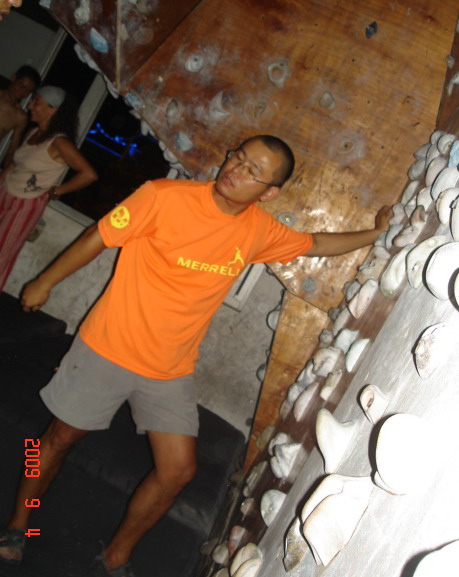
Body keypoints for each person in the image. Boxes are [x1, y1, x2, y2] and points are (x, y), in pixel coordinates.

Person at [0, 134, 391, 576]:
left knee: (178, 471)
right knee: (56, 440)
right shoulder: (163, 196)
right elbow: (99, 235)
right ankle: (19, 525)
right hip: (107, 346)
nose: (236, 169)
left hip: (169, 369)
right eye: (238, 157)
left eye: (252, 171)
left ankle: (114, 559)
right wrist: (45, 281)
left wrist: (376, 233)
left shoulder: (258, 230)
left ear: (269, 193)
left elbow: (314, 243)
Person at [0, 85, 98, 291]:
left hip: (24, 204)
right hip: (5, 191)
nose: (30, 106)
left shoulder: (59, 142)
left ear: (53, 109)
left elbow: (89, 174)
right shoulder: (34, 132)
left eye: (37, 102)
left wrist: (57, 191)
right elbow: (15, 164)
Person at [0, 65, 41, 168]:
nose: (23, 92)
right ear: (13, 77)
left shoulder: (20, 117)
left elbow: (12, 150)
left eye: (28, 91)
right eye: (22, 86)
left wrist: (4, 173)